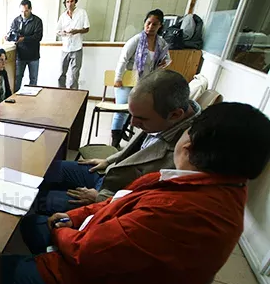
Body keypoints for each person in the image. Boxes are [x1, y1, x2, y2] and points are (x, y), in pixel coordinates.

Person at [5, 102, 270, 284]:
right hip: (111, 266)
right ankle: (43, 276)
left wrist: (61, 230)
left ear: (188, 146)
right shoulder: (217, 186)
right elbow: (119, 201)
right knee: (33, 224)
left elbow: (86, 252)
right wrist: (73, 217)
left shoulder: (180, 213)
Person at [37, 70, 200, 215]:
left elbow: (151, 200)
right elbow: (140, 150)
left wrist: (100, 197)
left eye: (141, 118)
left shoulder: (187, 152)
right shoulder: (164, 117)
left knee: (43, 200)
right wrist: (109, 160)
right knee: (48, 170)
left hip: (114, 197)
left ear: (175, 115)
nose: (132, 124)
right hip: (112, 173)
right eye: (132, 115)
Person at [112, 9, 172, 148]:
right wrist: (118, 78)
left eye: (154, 24)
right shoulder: (136, 40)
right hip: (127, 80)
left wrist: (165, 63)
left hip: (145, 83)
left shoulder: (161, 43)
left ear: (160, 26)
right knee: (121, 110)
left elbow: (168, 59)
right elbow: (123, 60)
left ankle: (121, 131)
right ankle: (115, 139)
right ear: (144, 23)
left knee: (133, 110)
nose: (150, 27)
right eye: (148, 23)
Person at [6, 0, 43, 92]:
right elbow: (12, 33)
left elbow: (38, 37)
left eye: (26, 11)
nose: (24, 13)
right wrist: (8, 37)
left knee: (33, 80)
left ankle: (31, 101)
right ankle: (16, 99)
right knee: (17, 79)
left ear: (30, 9)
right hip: (20, 55)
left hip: (33, 55)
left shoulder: (37, 21)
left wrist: (24, 39)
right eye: (22, 11)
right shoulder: (16, 20)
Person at [56, 0, 90, 89]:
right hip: (65, 48)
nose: (69, 4)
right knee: (61, 73)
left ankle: (73, 94)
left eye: (71, 1)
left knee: (75, 74)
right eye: (67, 2)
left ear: (75, 2)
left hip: (77, 47)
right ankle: (61, 91)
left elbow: (87, 28)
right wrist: (62, 32)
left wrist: (77, 31)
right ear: (65, 3)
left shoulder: (82, 13)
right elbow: (57, 31)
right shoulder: (63, 16)